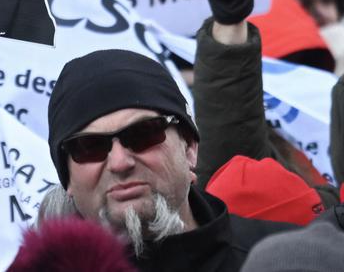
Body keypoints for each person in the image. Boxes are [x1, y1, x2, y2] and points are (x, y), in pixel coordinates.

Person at [46, 48, 291, 271]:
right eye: (89, 146)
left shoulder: (289, 261)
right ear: (67, 179)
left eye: (143, 133)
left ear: (189, 148)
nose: (120, 163)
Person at [191, 0, 338, 208]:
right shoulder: (272, 195)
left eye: (306, 66)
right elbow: (233, 145)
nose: (290, 91)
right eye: (272, 71)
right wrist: (230, 24)